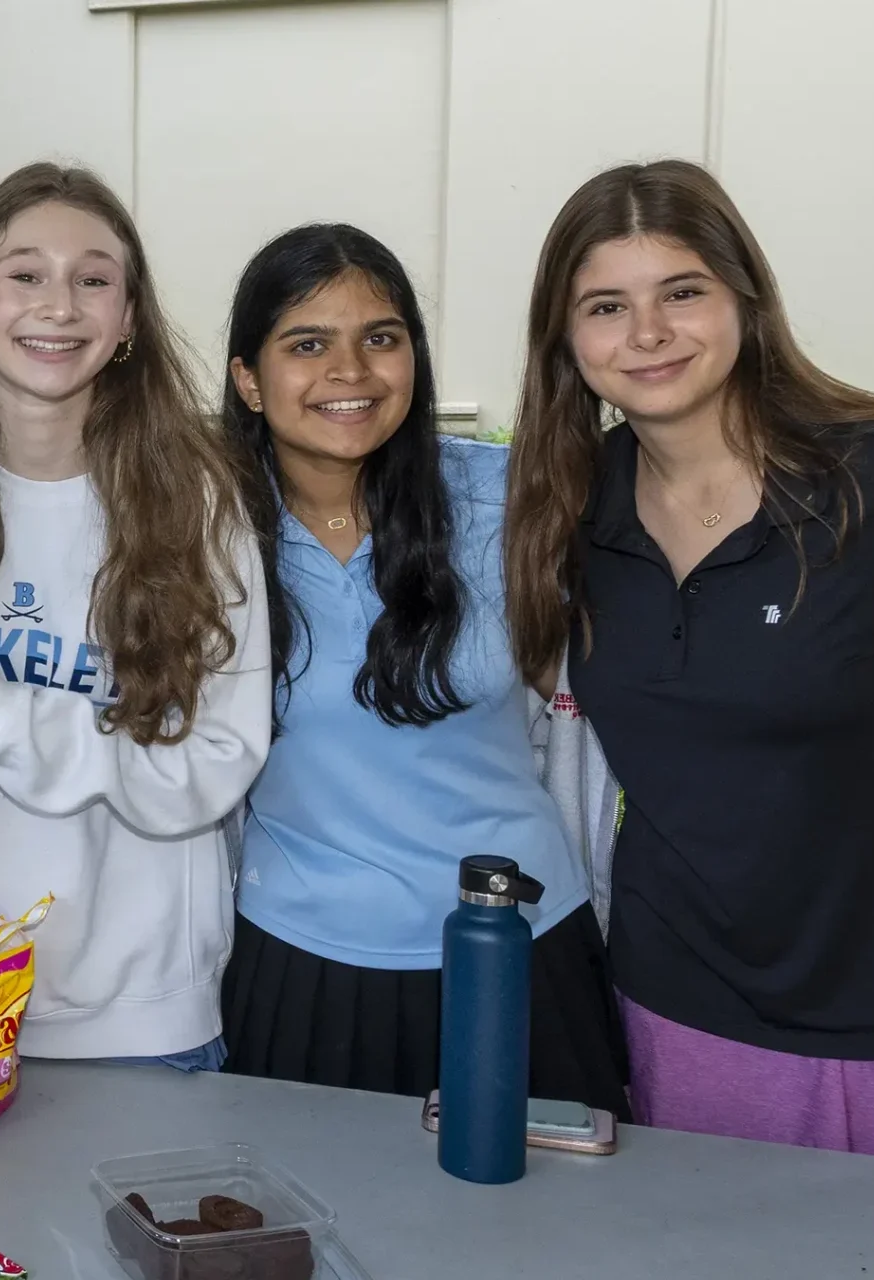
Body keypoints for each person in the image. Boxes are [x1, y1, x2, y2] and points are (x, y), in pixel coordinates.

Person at [503, 158, 874, 1166]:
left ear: (745, 299)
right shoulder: (567, 510)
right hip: (680, 1018)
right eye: (606, 306)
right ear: (565, 340)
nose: (647, 333)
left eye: (682, 292)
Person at [214, 224, 627, 1115]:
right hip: (304, 965)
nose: (350, 371)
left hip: (521, 947)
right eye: (307, 344)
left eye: (381, 337)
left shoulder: (510, 501)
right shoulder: (204, 537)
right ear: (248, 379)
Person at [0, 161, 270, 1068]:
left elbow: (216, 763)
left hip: (140, 1020)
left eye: (93, 280)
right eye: (25, 274)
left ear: (128, 319)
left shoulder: (195, 504)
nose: (58, 306)